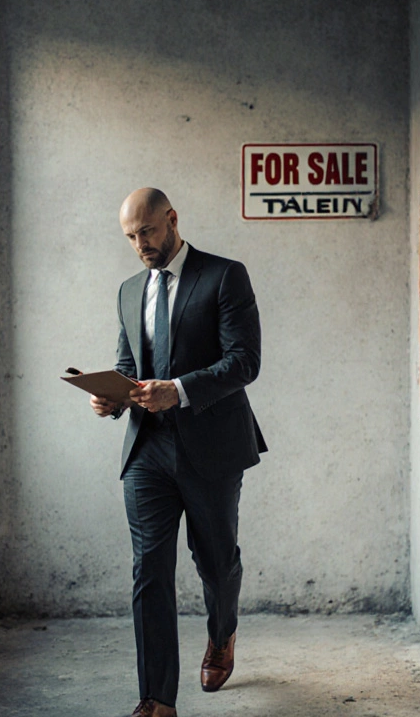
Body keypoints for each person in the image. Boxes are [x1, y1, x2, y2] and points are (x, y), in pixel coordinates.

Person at [90, 188, 268, 717]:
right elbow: (129, 367)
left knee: (215, 562)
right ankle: (156, 699)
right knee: (149, 569)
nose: (140, 244)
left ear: (171, 219)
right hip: (147, 448)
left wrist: (180, 390)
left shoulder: (225, 276)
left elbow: (244, 361)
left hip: (212, 446)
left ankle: (222, 633)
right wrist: (111, 398)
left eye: (147, 231)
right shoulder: (128, 291)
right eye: (130, 236)